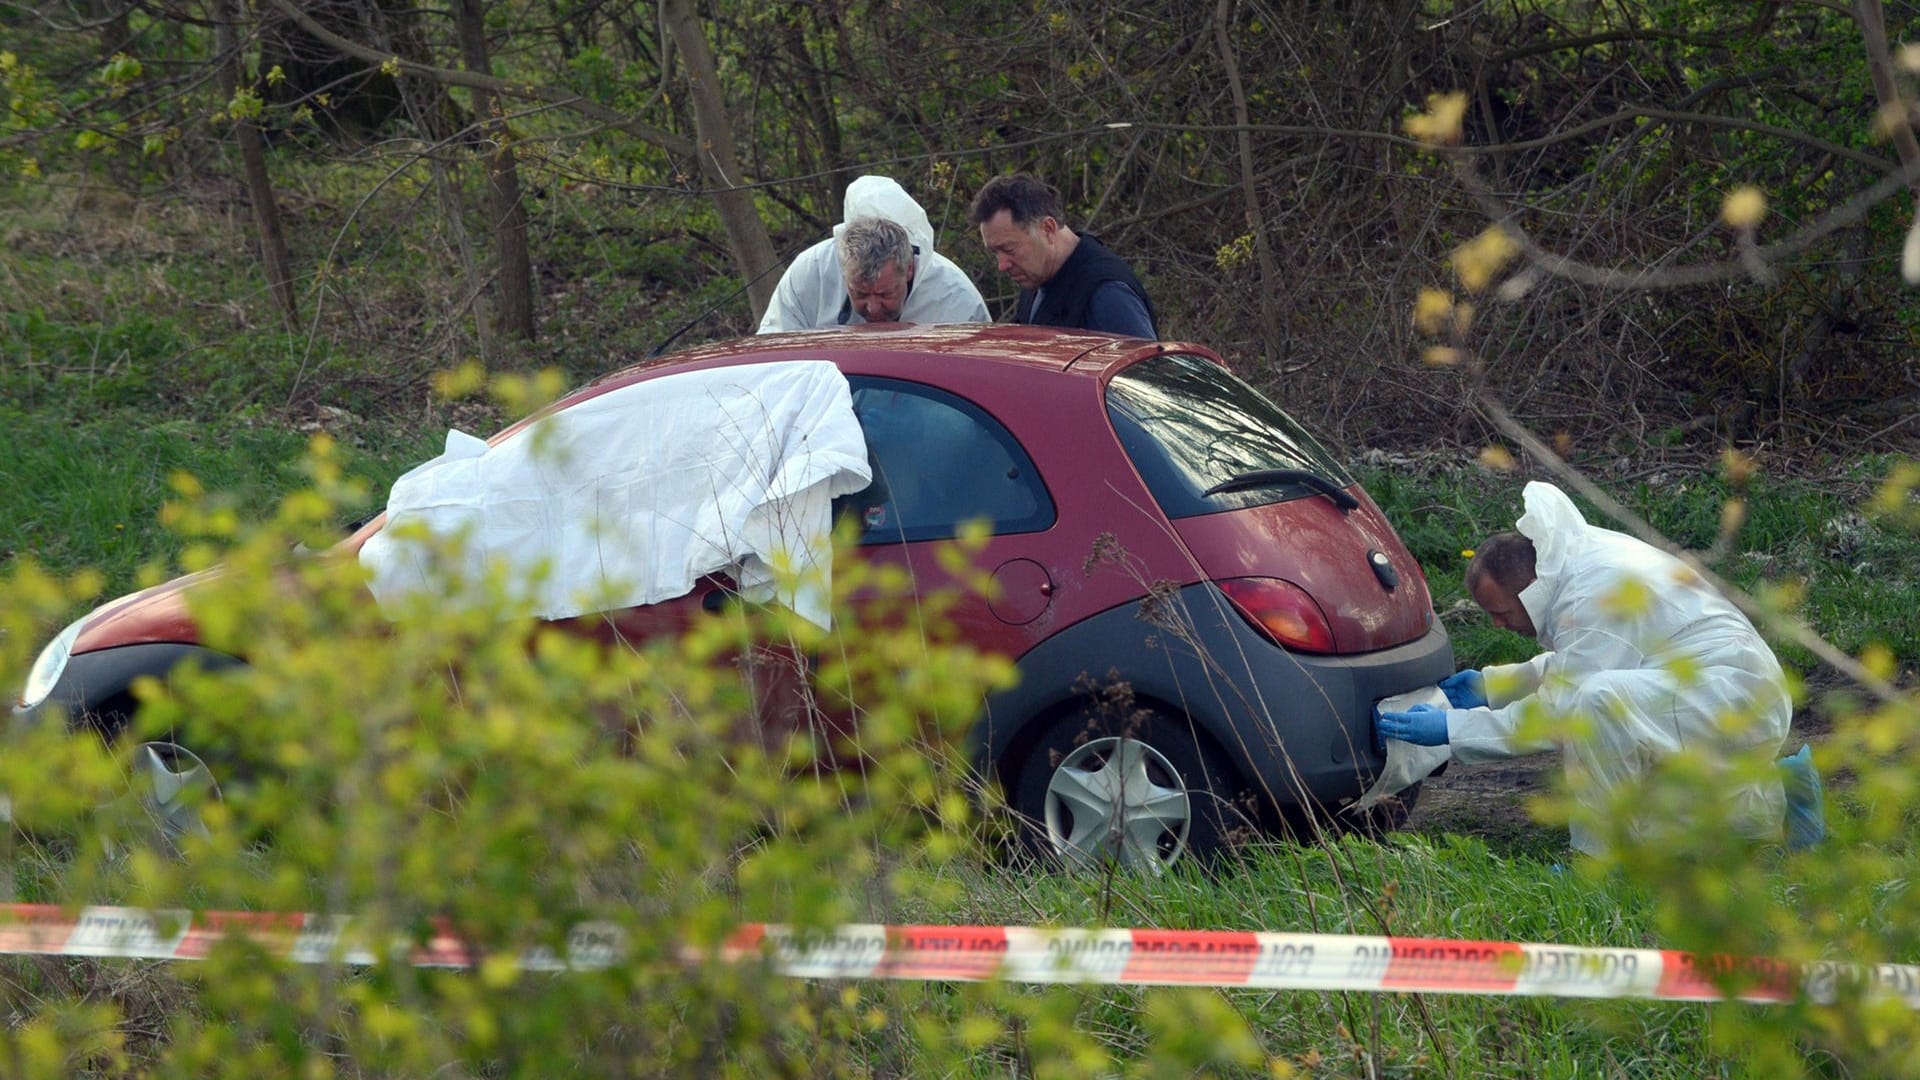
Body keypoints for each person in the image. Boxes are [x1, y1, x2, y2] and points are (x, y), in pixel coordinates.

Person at [1376, 481, 1802, 856]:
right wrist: (1493, 685)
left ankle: (1602, 861)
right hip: (1717, 689)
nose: (1497, 624)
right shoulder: (1575, 567)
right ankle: (1785, 801)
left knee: (1597, 706)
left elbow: (1564, 707)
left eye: (1501, 612)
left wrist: (1453, 731)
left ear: (1528, 588)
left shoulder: (1592, 593)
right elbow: (1589, 659)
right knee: (1635, 776)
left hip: (1734, 696)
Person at [757, 175, 989, 333]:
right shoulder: (810, 274)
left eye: (885, 293)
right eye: (860, 293)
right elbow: (772, 358)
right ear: (843, 266)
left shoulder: (956, 300)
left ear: (909, 268)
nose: (873, 308)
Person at [968, 173, 1157, 338]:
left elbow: (1142, 375)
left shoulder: (1108, 294)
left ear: (1048, 229)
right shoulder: (1036, 276)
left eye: (1009, 249)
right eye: (995, 253)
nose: (1002, 265)